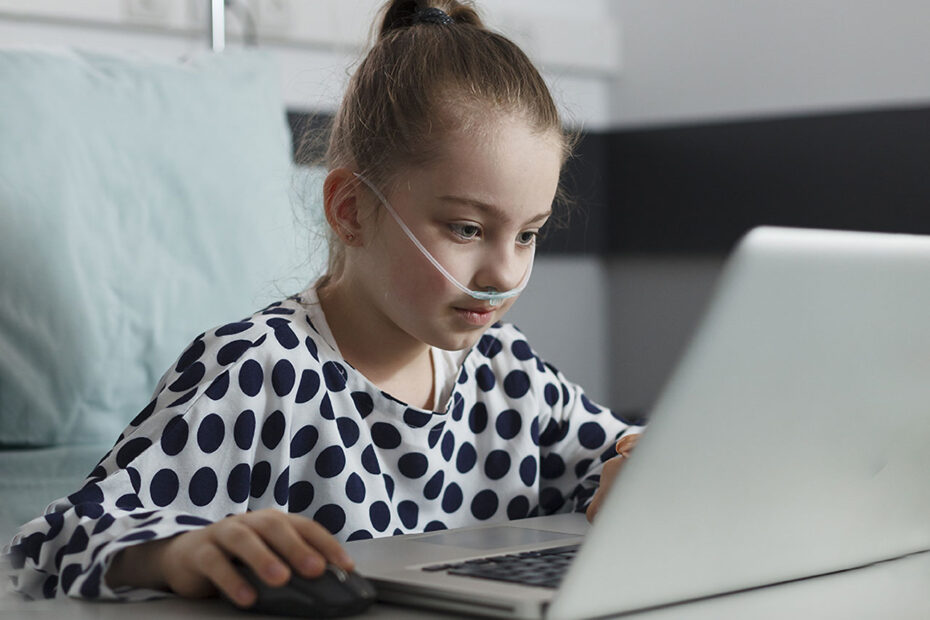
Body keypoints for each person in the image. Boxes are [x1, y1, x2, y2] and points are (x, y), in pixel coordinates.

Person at [4, 0, 644, 608]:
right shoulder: (259, 371)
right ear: (349, 211)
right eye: (467, 229)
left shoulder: (509, 374)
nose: (505, 272)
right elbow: (50, 546)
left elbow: (617, 460)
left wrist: (641, 474)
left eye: (527, 233)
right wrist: (175, 555)